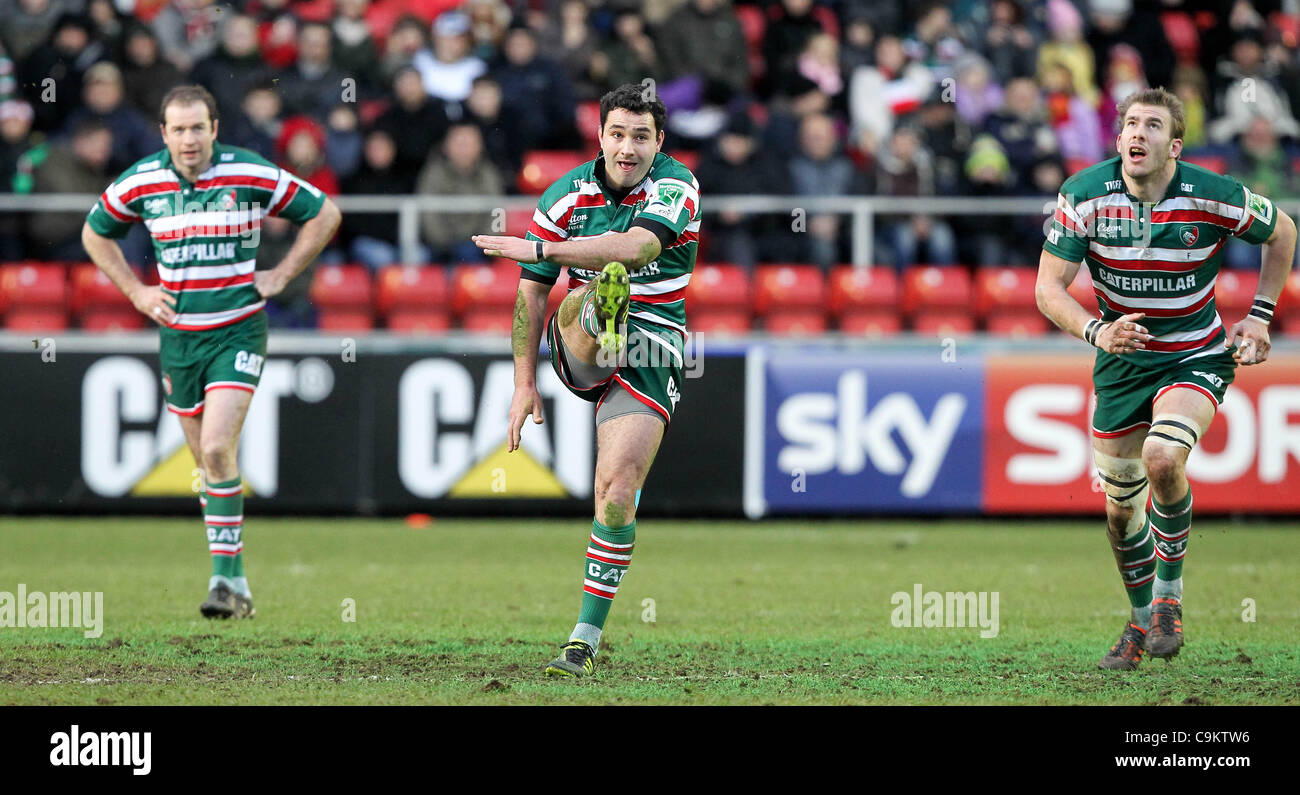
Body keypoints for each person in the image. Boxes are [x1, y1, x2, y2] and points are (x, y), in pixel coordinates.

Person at [1036, 87, 1296, 671]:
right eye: (1130, 123)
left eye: (1152, 125)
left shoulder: (1213, 193)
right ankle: (1137, 619)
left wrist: (1258, 315)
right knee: (1120, 513)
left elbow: (1283, 232)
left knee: (1162, 458)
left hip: (1194, 355)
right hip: (1120, 363)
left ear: (1174, 145)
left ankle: (1168, 600)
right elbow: (1047, 289)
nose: (1137, 133)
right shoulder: (1083, 196)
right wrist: (1096, 332)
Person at [81, 85, 341, 619]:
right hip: (178, 339)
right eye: (178, 129)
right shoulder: (143, 179)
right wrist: (135, 291)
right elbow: (94, 232)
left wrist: (283, 273)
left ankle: (222, 580)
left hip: (237, 331)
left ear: (214, 129)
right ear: (164, 134)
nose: (189, 138)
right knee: (206, 463)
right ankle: (237, 585)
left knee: (219, 448)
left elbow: (324, 213)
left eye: (198, 127)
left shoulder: (247, 172)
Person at [471, 84, 700, 678]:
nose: (628, 148)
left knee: (617, 494)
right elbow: (530, 293)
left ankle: (582, 640)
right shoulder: (565, 193)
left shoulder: (678, 185)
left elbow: (637, 244)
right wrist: (523, 384)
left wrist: (541, 246)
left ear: (660, 142)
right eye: (617, 134)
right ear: (599, 136)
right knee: (582, 299)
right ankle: (602, 309)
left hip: (653, 343)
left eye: (641, 136)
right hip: (580, 339)